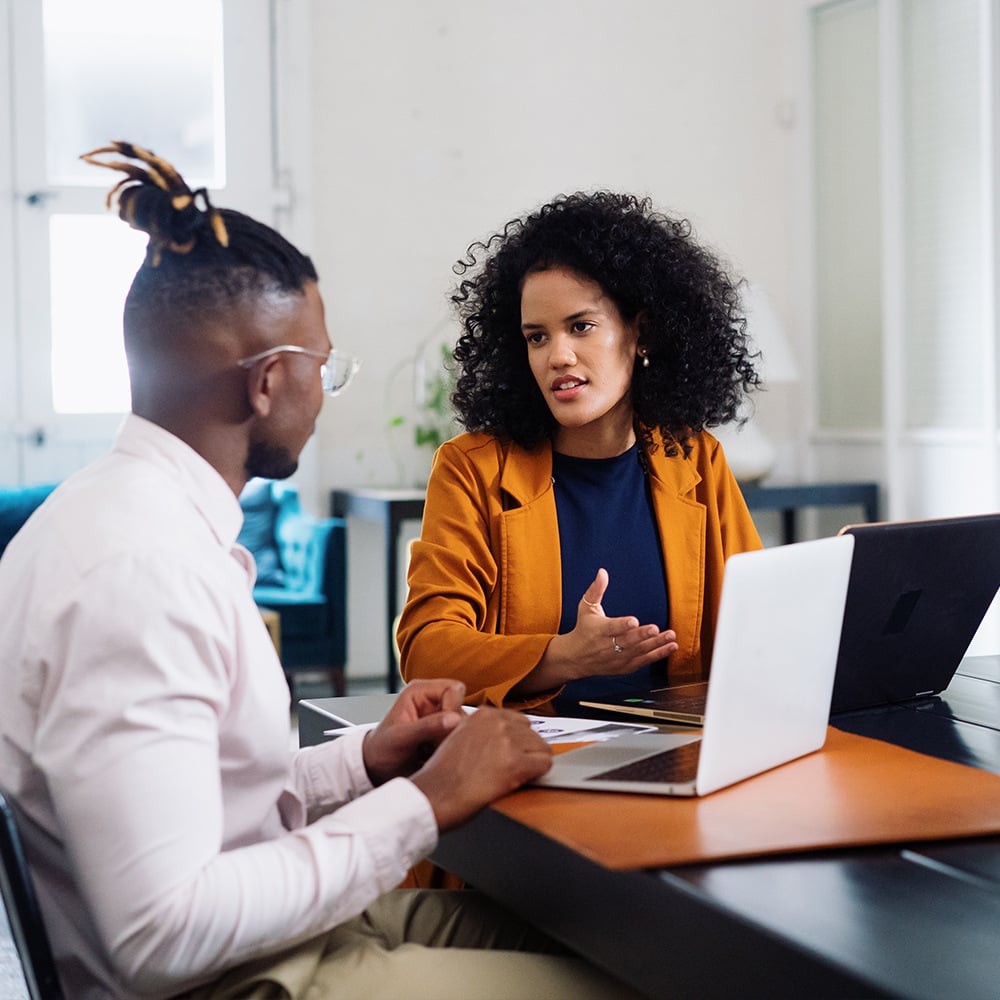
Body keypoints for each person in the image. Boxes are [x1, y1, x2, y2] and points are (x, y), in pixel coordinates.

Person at [0, 144, 639, 1000]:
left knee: (631, 945)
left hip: (276, 935)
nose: (324, 394)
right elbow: (159, 933)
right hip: (236, 979)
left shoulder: (125, 519)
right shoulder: (137, 573)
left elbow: (209, 800)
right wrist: (429, 801)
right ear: (268, 383)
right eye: (323, 369)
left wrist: (368, 759)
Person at [398, 191, 763, 712]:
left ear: (641, 333)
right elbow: (427, 653)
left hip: (684, 756)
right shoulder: (472, 469)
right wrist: (562, 656)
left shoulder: (697, 460)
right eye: (537, 337)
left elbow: (761, 628)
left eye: (581, 326)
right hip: (531, 766)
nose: (558, 356)